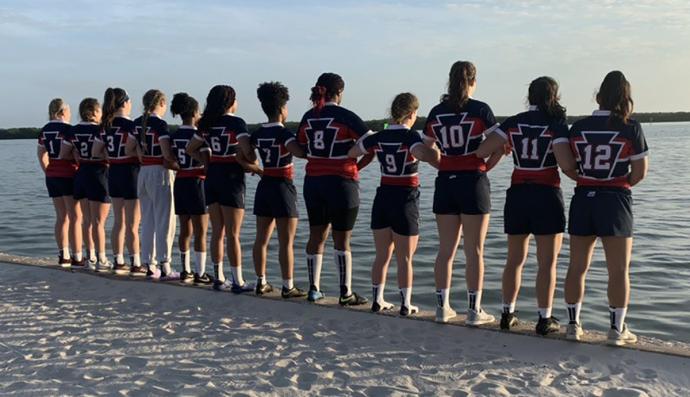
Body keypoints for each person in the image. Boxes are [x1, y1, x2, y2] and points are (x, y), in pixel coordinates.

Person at [555, 71, 648, 346]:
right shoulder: (631, 127)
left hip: (584, 197)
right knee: (618, 269)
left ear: (598, 97)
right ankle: (616, 329)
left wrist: (587, 179)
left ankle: (573, 324)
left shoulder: (579, 128)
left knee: (577, 266)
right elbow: (640, 172)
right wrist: (619, 182)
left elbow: (568, 166)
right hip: (615, 199)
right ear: (625, 98)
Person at [476, 77, 568, 335]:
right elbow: (565, 163)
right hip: (547, 192)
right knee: (547, 262)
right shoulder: (556, 124)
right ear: (554, 96)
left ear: (530, 96)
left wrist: (504, 148)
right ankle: (544, 317)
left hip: (517, 193)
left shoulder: (514, 122)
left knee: (514, 258)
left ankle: (508, 313)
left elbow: (481, 150)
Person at [425, 61, 504, 324]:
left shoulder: (437, 111)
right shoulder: (480, 109)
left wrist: (444, 163)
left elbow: (426, 150)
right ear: (473, 81)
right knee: (474, 250)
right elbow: (499, 143)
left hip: (446, 180)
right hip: (473, 181)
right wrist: (485, 164)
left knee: (445, 249)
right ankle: (474, 310)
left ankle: (442, 307)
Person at [348, 93, 440, 316]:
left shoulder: (378, 137)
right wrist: (435, 148)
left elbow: (353, 152)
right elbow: (425, 156)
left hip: (382, 197)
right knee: (405, 257)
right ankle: (406, 304)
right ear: (411, 114)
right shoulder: (410, 138)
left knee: (382, 254)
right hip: (405, 198)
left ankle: (377, 300)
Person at [297, 72, 375, 305]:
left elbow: (301, 146)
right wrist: (357, 165)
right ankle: (345, 292)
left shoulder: (308, 116)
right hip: (342, 182)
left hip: (313, 182)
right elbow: (371, 144)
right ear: (339, 93)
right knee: (342, 240)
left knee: (316, 235)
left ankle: (313, 288)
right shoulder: (345, 116)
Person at [187, 85, 258, 293]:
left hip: (212, 175)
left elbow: (190, 149)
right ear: (231, 102)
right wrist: (249, 159)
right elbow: (249, 153)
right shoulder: (236, 123)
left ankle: (218, 277)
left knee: (217, 231)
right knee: (233, 233)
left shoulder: (206, 123)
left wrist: (207, 161)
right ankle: (238, 280)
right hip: (232, 177)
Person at [250, 82, 307, 298]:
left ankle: (261, 281)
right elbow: (300, 153)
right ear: (282, 109)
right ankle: (288, 285)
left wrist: (254, 167)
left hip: (264, 185)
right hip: (283, 186)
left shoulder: (256, 134)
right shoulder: (284, 134)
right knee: (286, 241)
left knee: (261, 239)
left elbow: (244, 154)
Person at [93, 88, 142, 275]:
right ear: (125, 103)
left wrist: (112, 155)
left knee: (118, 221)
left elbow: (96, 151)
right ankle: (136, 261)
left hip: (113, 172)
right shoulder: (131, 125)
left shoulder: (105, 126)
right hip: (131, 172)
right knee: (133, 224)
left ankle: (118, 259)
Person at [133, 89, 179, 280]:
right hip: (159, 172)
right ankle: (165, 265)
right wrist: (179, 165)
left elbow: (129, 147)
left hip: (143, 172)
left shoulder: (136, 123)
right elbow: (167, 154)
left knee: (148, 219)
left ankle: (149, 263)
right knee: (165, 220)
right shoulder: (160, 124)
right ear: (160, 103)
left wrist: (141, 155)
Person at [169, 93, 213, 285]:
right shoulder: (198, 136)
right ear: (195, 113)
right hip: (197, 181)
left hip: (180, 181)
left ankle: (185, 269)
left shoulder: (174, 135)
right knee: (201, 231)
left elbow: (169, 161)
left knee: (184, 229)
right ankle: (200, 272)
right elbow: (207, 164)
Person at [64, 98, 111, 272]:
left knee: (87, 221)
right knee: (99, 222)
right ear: (95, 112)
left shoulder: (73, 131)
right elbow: (106, 152)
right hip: (98, 173)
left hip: (81, 173)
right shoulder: (101, 129)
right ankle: (102, 258)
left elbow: (63, 152)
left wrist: (77, 155)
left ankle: (89, 256)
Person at [37, 99, 83, 267]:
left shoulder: (45, 130)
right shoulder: (68, 129)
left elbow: (41, 154)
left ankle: (63, 254)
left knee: (61, 217)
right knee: (76, 217)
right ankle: (77, 256)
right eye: (69, 110)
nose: (70, 114)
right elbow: (76, 154)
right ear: (63, 112)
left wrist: (47, 170)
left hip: (52, 176)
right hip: (68, 174)